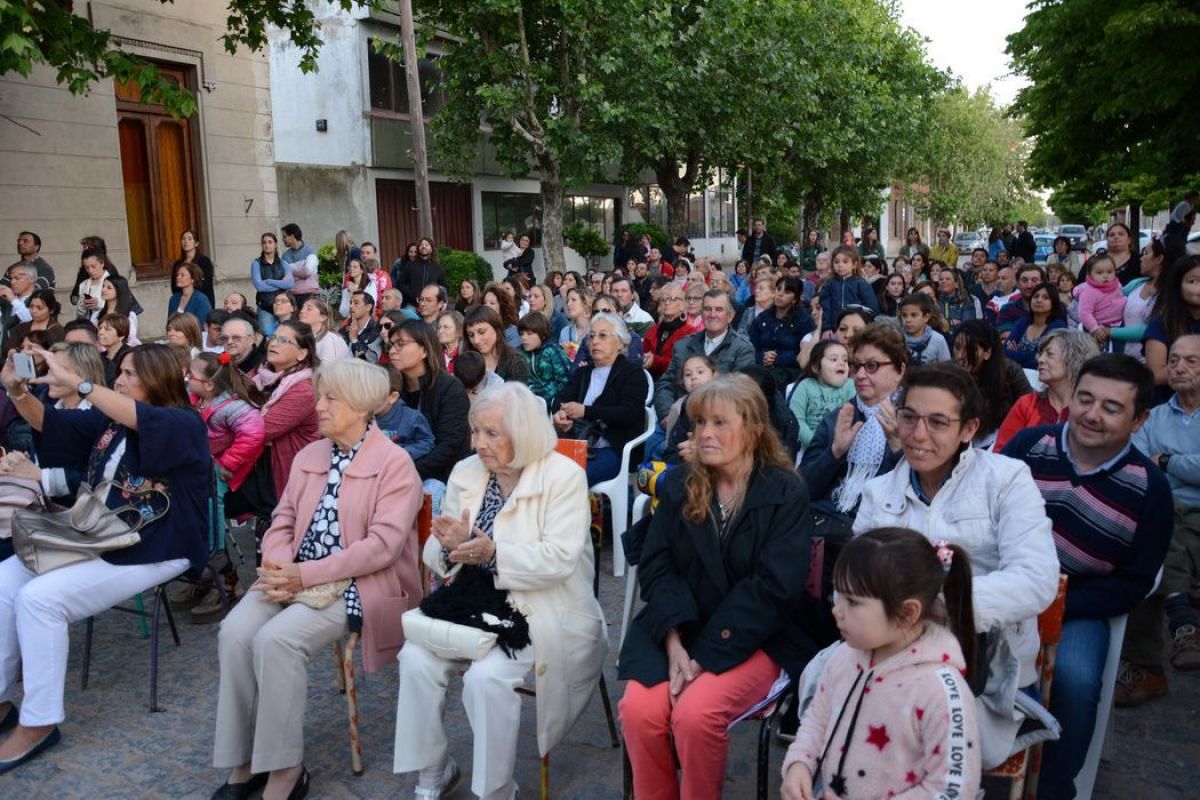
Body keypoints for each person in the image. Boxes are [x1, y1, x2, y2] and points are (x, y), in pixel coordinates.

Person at [213, 359, 424, 800]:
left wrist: (302, 575)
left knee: (277, 641)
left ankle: (286, 769)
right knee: (234, 632)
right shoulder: (311, 454)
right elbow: (283, 519)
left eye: (331, 398)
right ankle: (245, 759)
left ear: (361, 406)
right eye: (319, 396)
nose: (319, 406)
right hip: (294, 575)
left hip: (359, 584)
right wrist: (277, 566)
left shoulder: (395, 463)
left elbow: (381, 548)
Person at [0, 344, 210, 772]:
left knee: (39, 600)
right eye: (121, 372)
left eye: (131, 374)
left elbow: (142, 419)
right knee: (5, 580)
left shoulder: (183, 422)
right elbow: (50, 424)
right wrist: (17, 391)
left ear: (159, 380)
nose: (120, 380)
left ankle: (39, 722)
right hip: (102, 533)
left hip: (159, 544)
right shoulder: (110, 420)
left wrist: (79, 383)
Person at [394, 382, 605, 800]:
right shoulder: (466, 471)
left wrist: (493, 555)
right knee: (415, 659)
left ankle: (496, 790)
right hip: (471, 603)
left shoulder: (563, 477)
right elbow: (437, 547)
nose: (478, 444)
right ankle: (433, 774)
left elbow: (560, 559)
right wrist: (450, 546)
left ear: (523, 433)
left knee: (487, 679)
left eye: (492, 433)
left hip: (542, 608)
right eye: (476, 431)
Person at [619, 374, 820, 800]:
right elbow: (657, 565)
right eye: (700, 422)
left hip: (759, 634)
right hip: (681, 625)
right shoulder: (681, 483)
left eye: (720, 422)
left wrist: (705, 655)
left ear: (755, 430)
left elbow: (773, 589)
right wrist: (674, 641)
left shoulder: (785, 491)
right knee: (638, 711)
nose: (705, 433)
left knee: (695, 714)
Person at [853, 362, 1059, 765]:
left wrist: (935, 606)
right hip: (890, 660)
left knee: (897, 741)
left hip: (987, 671)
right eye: (909, 417)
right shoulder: (879, 493)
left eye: (938, 422)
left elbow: (1035, 579)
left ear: (969, 429)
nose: (918, 435)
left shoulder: (1005, 480)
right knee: (836, 709)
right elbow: (857, 584)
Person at [1003, 355, 1173, 798]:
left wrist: (1056, 604)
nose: (1092, 415)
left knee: (1075, 682)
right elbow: (983, 514)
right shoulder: (1029, 447)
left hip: (1079, 605)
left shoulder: (1150, 488)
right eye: (1085, 399)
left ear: (1139, 420)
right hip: (1004, 587)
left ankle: (1054, 788)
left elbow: (1135, 581)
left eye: (1111, 408)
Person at [781, 529, 982, 800]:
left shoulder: (941, 692)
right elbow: (817, 720)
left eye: (852, 601)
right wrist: (799, 764)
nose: (836, 609)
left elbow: (953, 789)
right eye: (838, 594)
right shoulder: (842, 658)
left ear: (908, 613)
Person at [1116, 335, 1200, 706]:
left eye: (1191, 361)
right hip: (1168, 510)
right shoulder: (1155, 415)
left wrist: (1166, 461)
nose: (1179, 367)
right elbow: (1139, 466)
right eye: (1174, 360)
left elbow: (1155, 464)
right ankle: (1181, 627)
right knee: (1151, 535)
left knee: (1154, 537)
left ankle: (1150, 662)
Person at [800, 323, 907, 537]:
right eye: (856, 366)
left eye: (872, 366)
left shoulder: (915, 418)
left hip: (883, 529)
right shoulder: (840, 417)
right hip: (826, 524)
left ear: (899, 371)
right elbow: (803, 489)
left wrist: (898, 448)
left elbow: (925, 493)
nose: (859, 375)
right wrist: (834, 453)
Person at [551, 313, 646, 484]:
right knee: (538, 470)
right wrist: (561, 415)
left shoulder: (633, 373)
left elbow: (628, 413)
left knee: (566, 479)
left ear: (620, 342)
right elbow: (560, 399)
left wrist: (585, 412)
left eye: (602, 336)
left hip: (614, 448)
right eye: (591, 336)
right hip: (578, 443)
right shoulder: (583, 372)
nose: (594, 341)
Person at [387, 319, 472, 484]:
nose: (392, 351)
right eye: (391, 345)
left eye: (400, 344)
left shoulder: (449, 388)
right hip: (396, 472)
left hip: (442, 479)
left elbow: (449, 447)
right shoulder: (391, 389)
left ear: (425, 350)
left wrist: (403, 473)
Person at [653, 290, 755, 423]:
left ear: (730, 316)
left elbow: (742, 393)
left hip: (719, 421)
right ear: (701, 314)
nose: (712, 315)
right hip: (679, 418)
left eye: (719, 309)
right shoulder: (683, 345)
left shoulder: (742, 349)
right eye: (707, 309)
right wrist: (667, 414)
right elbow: (666, 383)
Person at [250, 321, 321, 501]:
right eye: (273, 337)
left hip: (287, 479)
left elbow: (259, 430)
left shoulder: (303, 391)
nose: (273, 343)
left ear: (302, 354)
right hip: (259, 471)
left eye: (283, 340)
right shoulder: (260, 376)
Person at [994, 330, 1100, 452]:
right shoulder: (1027, 404)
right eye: (1040, 354)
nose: (1040, 359)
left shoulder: (1092, 410)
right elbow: (1001, 453)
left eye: (1049, 354)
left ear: (1074, 359)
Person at [952, 320, 1032, 447]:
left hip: (1004, 440)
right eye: (957, 347)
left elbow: (1030, 410)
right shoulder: (949, 374)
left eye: (970, 349)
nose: (960, 355)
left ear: (987, 353)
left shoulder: (1010, 372)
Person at [1145, 254, 1200, 391]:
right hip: (1173, 399)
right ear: (1178, 286)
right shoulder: (1163, 323)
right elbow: (1156, 374)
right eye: (1192, 281)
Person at [748, 276, 815, 387]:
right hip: (761, 369)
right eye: (778, 289)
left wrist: (777, 359)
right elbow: (750, 347)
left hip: (791, 373)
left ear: (794, 299)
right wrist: (762, 357)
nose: (780, 294)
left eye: (787, 292)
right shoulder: (762, 317)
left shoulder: (804, 321)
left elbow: (807, 354)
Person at [1109, 237, 1169, 361]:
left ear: (1159, 259)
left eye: (1146, 253)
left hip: (1149, 361)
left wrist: (1109, 332)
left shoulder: (1169, 293)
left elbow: (1150, 330)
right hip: (1123, 358)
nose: (1141, 258)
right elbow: (1110, 298)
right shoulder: (1137, 284)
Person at [790, 340, 856, 451]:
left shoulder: (850, 386)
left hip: (841, 448)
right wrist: (814, 442)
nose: (842, 363)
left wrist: (837, 446)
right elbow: (796, 419)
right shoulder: (805, 386)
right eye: (834, 359)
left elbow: (854, 418)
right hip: (809, 448)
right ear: (816, 367)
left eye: (845, 360)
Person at [373, 365, 435, 459]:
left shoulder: (411, 418)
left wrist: (405, 453)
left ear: (392, 397)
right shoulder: (362, 418)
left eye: (373, 393)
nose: (366, 398)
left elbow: (427, 441)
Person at [1005, 283, 1068, 369]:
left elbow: (1044, 360)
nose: (1039, 300)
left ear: (1053, 303)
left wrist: (1015, 354)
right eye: (1036, 296)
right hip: (1016, 374)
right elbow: (1005, 351)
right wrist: (1034, 355)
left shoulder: (1058, 326)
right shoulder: (1023, 322)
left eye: (1045, 298)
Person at [817, 246, 879, 332]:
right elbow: (825, 308)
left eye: (845, 262)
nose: (840, 265)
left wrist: (864, 327)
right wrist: (827, 328)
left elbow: (872, 309)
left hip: (858, 330)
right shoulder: (828, 285)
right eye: (836, 262)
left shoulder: (862, 284)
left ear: (854, 265)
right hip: (834, 330)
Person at [642, 282, 696, 379]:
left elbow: (682, 363)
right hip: (649, 379)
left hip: (675, 381)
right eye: (663, 299)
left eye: (673, 299)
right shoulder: (652, 330)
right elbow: (643, 353)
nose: (667, 303)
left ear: (682, 304)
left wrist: (655, 361)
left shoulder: (690, 332)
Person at [465, 306, 530, 384]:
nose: (476, 341)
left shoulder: (516, 362)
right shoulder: (467, 361)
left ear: (496, 329)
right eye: (471, 335)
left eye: (482, 332)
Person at [518, 311, 570, 405]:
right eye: (522, 334)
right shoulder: (520, 353)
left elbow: (565, 381)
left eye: (529, 334)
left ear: (542, 334)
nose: (524, 338)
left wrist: (539, 394)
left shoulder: (552, 351)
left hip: (552, 402)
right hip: (529, 400)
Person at [1074, 254, 1126, 347]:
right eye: (1099, 273)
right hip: (1099, 329)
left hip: (1120, 326)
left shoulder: (1117, 285)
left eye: (1109, 272)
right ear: (1090, 274)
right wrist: (1094, 328)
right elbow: (1084, 313)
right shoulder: (1088, 291)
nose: (1105, 276)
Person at [250, 232, 294, 336]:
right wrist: (281, 284)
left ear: (275, 244)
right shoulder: (256, 263)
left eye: (270, 242)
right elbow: (260, 287)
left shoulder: (283, 263)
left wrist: (270, 281)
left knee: (286, 334)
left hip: (282, 306)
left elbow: (290, 284)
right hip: (265, 307)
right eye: (264, 242)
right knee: (268, 334)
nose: (267, 245)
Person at [899, 293, 951, 365]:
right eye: (904, 315)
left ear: (926, 317)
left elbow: (947, 368)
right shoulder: (898, 340)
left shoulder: (938, 340)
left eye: (914, 315)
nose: (908, 320)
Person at [394, 237, 447, 305]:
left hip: (432, 305)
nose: (423, 246)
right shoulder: (410, 266)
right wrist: (412, 295)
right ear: (418, 249)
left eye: (426, 245)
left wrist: (441, 300)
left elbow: (443, 287)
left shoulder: (438, 267)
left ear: (431, 249)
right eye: (421, 245)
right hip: (412, 305)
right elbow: (401, 283)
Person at [297, 297, 350, 365]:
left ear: (323, 317)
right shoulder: (307, 336)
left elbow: (327, 369)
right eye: (302, 308)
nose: (302, 311)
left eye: (309, 309)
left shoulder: (329, 339)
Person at [170, 229, 216, 305]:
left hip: (202, 300)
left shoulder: (204, 261)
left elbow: (205, 283)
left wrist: (190, 294)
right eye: (183, 239)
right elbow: (174, 286)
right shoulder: (178, 263)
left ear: (196, 243)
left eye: (189, 239)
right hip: (183, 301)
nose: (186, 241)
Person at [280, 223, 319, 306]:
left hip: (310, 294)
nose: (283, 240)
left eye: (284, 236)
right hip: (292, 295)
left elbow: (307, 272)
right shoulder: (285, 256)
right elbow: (286, 276)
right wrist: (300, 269)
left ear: (292, 236)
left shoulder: (309, 251)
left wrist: (291, 268)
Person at [340, 292, 383, 364]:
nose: (351, 306)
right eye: (351, 303)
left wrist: (354, 340)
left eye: (356, 303)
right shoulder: (344, 329)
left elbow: (370, 361)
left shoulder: (376, 331)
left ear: (368, 307)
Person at [73, 248, 111, 321]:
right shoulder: (83, 285)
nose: (90, 271)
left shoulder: (113, 282)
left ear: (102, 263)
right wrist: (82, 307)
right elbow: (80, 315)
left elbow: (119, 307)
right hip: (88, 325)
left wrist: (98, 304)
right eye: (87, 268)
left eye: (93, 266)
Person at [558, 287, 594, 363]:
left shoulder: (595, 331)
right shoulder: (565, 332)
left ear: (586, 304)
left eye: (573, 300)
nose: (568, 304)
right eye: (568, 301)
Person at [97, 313, 133, 387]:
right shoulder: (99, 357)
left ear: (121, 335)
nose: (100, 332)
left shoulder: (130, 356)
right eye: (100, 328)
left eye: (107, 329)